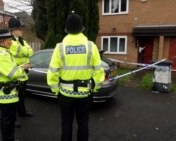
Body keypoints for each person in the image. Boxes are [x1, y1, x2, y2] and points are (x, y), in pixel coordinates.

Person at [47, 11, 105, 141]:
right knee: (83, 124)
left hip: (65, 95)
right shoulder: (91, 46)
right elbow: (99, 71)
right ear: (82, 28)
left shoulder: (60, 48)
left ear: (67, 29)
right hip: (85, 94)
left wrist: (56, 91)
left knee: (66, 124)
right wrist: (94, 87)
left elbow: (52, 72)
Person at [0, 28, 31, 141]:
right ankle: (8, 139)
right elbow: (14, 73)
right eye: (9, 39)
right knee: (9, 120)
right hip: (7, 95)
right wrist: (23, 67)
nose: (11, 42)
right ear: (1, 41)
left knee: (5, 118)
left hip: (2, 93)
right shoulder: (1, 55)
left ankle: (6, 138)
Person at [8, 18, 34, 121]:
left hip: (24, 72)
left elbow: (30, 52)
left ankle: (22, 112)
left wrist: (25, 51)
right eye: (20, 29)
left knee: (22, 95)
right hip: (16, 72)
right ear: (14, 30)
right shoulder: (10, 41)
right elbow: (25, 51)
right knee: (14, 97)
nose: (22, 31)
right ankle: (14, 118)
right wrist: (25, 51)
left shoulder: (22, 41)